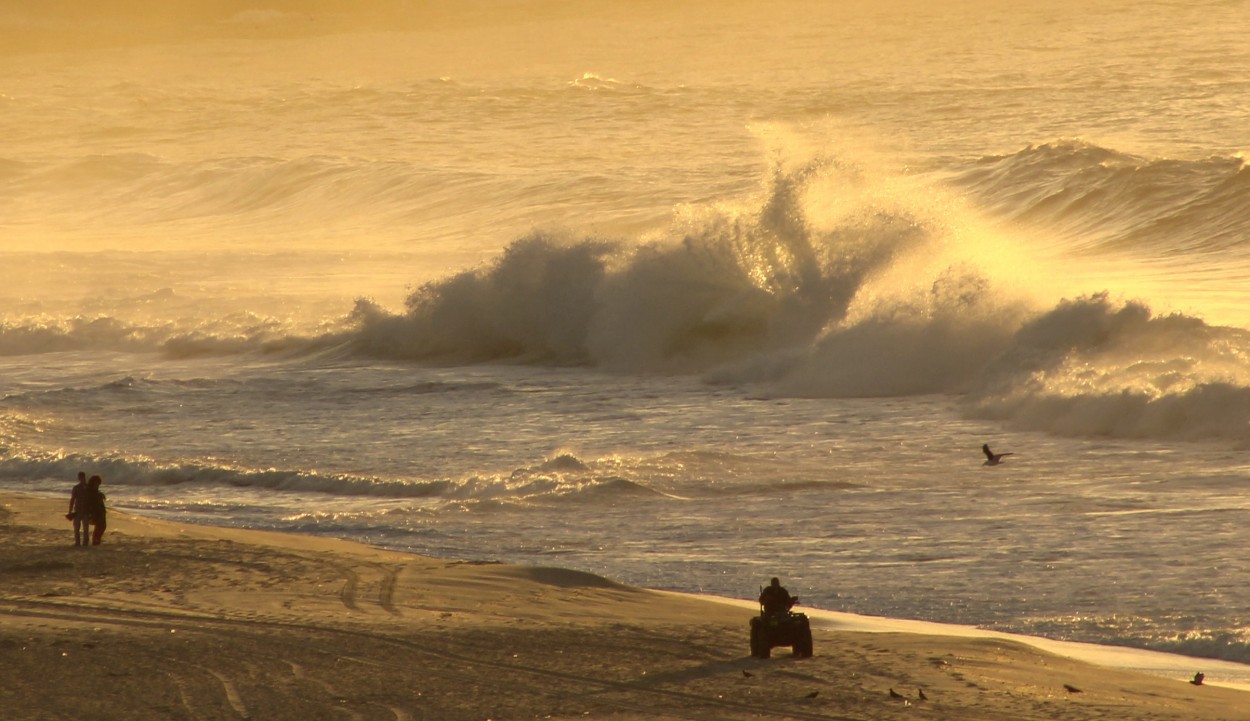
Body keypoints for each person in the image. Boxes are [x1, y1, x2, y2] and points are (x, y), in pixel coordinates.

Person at [66, 471, 89, 546]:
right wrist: (70, 510)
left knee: (82, 528)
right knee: (78, 528)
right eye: (81, 477)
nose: (82, 479)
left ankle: (82, 542)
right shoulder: (79, 488)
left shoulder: (85, 487)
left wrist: (70, 510)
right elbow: (72, 499)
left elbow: (73, 499)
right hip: (79, 510)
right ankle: (79, 542)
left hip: (83, 510)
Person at [83, 475, 107, 546]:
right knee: (100, 526)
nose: (98, 485)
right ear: (94, 482)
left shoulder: (95, 491)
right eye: (97, 484)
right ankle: (95, 540)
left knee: (102, 526)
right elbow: (89, 501)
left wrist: (100, 494)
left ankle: (96, 540)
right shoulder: (89, 491)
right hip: (95, 511)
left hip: (100, 511)